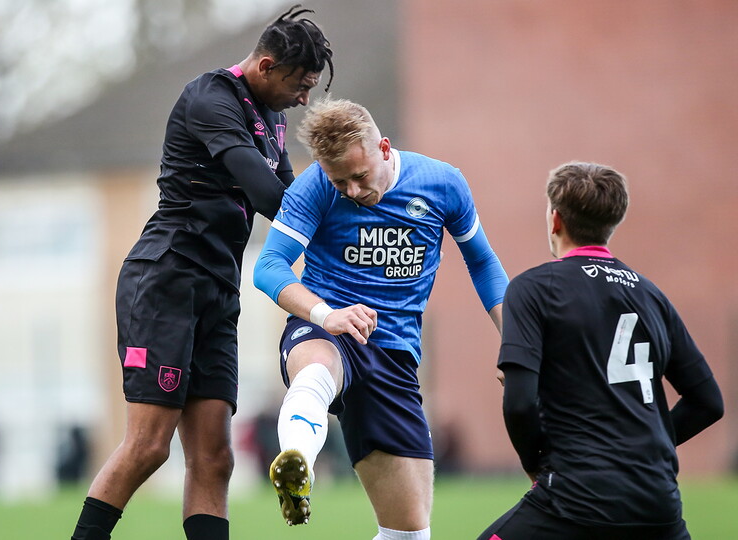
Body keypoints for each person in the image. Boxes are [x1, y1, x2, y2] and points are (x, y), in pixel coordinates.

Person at [69, 5, 334, 540]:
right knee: (147, 447)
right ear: (264, 65)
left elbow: (293, 196)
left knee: (215, 458)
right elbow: (268, 195)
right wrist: (334, 220)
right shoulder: (210, 98)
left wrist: (347, 212)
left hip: (217, 289)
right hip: (167, 280)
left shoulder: (274, 119)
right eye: (300, 84)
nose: (305, 98)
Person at [253, 98, 508, 539]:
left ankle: (301, 462)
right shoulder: (314, 187)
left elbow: (483, 263)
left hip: (393, 353)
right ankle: (297, 465)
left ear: (385, 149)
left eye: (359, 176)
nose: (351, 191)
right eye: (339, 182)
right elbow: (269, 266)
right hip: (327, 326)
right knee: (317, 369)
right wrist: (325, 313)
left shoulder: (442, 183)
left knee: (409, 534)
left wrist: (515, 341)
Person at [477, 162, 724, 540]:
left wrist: (538, 464)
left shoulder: (533, 288)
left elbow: (520, 403)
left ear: (555, 219)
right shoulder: (651, 295)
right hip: (657, 500)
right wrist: (638, 451)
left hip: (575, 495)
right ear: (613, 221)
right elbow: (708, 402)